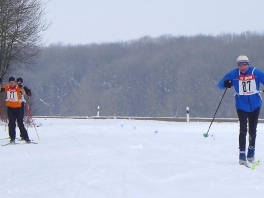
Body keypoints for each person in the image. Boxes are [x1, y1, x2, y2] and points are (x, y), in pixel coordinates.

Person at [218, 55, 264, 166]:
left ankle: (251, 154)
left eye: (244, 65)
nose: (242, 68)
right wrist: (226, 83)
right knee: (243, 129)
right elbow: (220, 85)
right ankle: (242, 155)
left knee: (253, 130)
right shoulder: (233, 74)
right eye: (240, 65)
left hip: (255, 105)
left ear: (248, 64)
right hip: (241, 106)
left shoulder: (255, 71)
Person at [0, 76, 31, 143]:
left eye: (13, 82)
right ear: (9, 83)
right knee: (11, 123)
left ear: (15, 82)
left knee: (20, 123)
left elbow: (24, 93)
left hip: (18, 108)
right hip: (10, 108)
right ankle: (12, 138)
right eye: (10, 82)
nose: (11, 84)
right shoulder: (7, 87)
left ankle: (26, 138)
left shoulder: (17, 87)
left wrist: (21, 88)